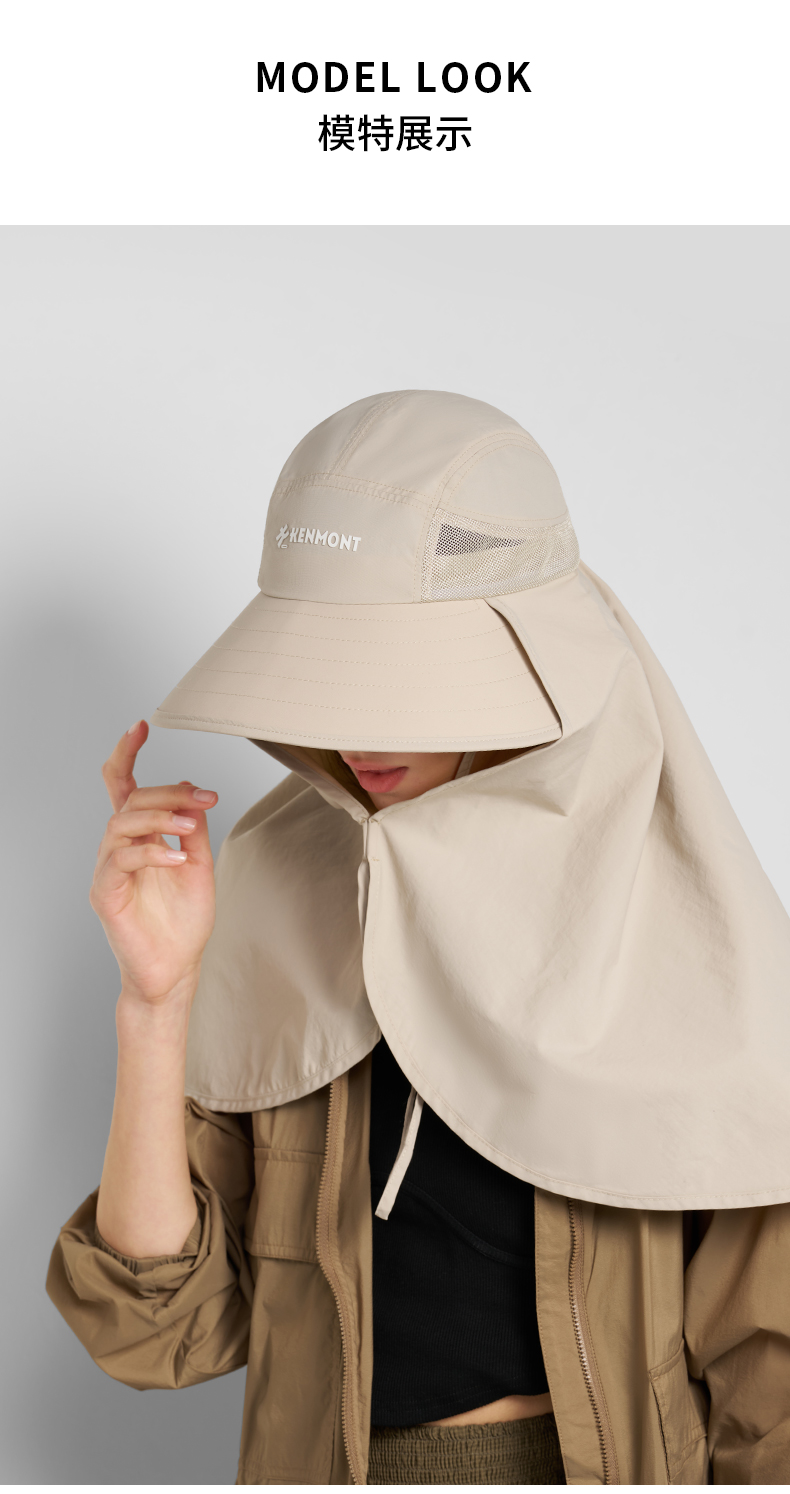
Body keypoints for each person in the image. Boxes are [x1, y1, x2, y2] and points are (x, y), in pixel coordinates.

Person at [48, 390, 790, 1485]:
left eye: (399, 677)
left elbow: (770, 1390)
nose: (355, 731)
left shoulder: (678, 925)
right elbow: (159, 1333)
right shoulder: (271, 887)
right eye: (330, 673)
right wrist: (153, 1003)